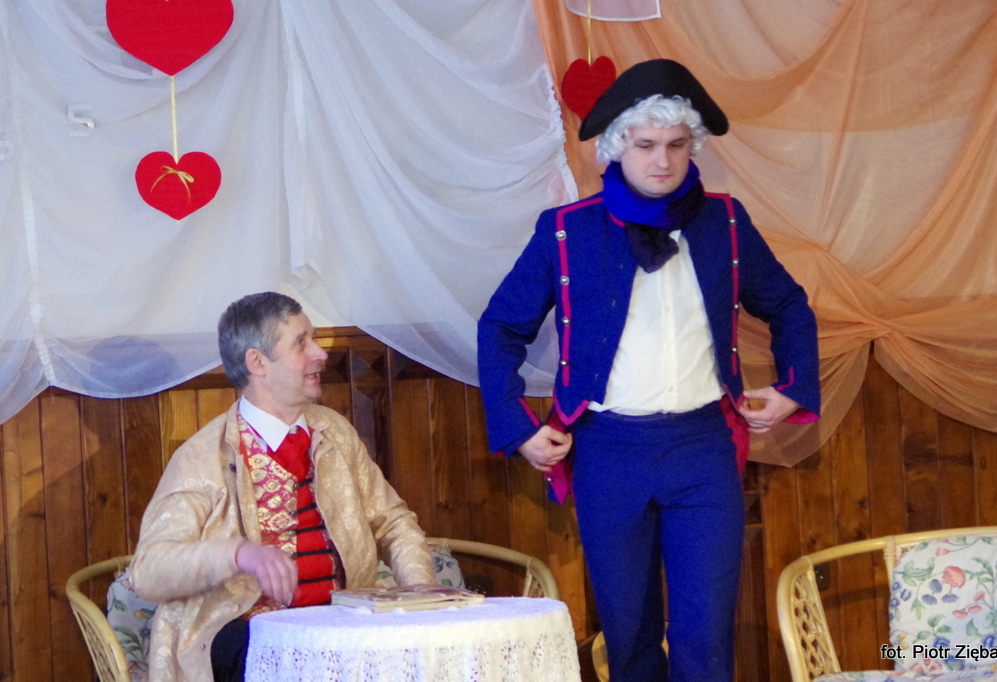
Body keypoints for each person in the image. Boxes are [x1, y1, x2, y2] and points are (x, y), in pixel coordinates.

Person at [477, 59, 820, 682]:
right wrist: (519, 427)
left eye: (676, 145)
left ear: (693, 145)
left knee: (705, 637)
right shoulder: (566, 231)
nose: (662, 160)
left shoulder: (726, 221)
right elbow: (500, 327)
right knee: (629, 635)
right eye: (645, 145)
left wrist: (793, 389)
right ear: (616, 146)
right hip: (608, 452)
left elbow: (789, 306)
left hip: (702, 448)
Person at [131, 292, 435, 682]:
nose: (321, 354)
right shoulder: (202, 457)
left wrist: (421, 591)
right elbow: (149, 570)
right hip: (247, 639)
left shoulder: (335, 431)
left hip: (343, 629)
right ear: (257, 362)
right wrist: (237, 554)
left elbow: (393, 521)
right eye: (301, 343)